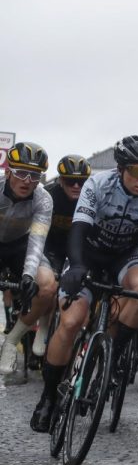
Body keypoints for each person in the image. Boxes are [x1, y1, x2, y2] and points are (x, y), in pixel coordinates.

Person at [31, 136, 138, 431]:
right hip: (90, 254)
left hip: (126, 256)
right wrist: (78, 266)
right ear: (120, 168)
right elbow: (79, 228)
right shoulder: (97, 186)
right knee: (71, 321)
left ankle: (114, 356)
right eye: (137, 171)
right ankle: (48, 397)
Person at [0, 144, 55, 379]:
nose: (27, 180)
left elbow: (37, 240)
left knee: (48, 285)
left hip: (21, 246)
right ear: (8, 171)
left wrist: (28, 276)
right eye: (21, 172)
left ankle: (11, 341)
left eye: (34, 175)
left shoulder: (43, 199)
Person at [33, 154, 91, 358]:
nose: (76, 185)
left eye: (81, 181)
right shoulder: (48, 195)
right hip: (50, 247)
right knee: (49, 285)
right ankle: (44, 325)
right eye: (69, 180)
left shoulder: (91, 198)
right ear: (60, 180)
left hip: (76, 250)